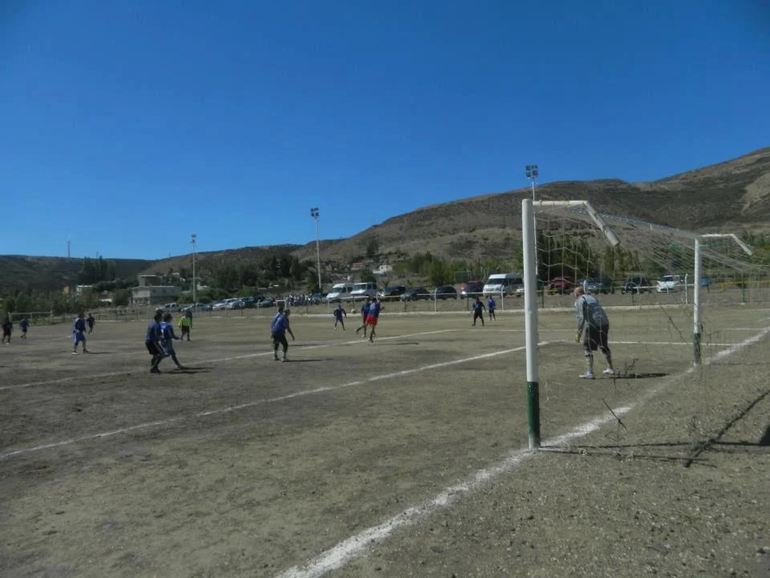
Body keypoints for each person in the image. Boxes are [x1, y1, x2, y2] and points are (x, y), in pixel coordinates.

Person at [573, 286, 614, 379]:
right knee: (603, 345)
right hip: (604, 322)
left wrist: (578, 333)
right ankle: (610, 368)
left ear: (577, 293)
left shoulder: (580, 300)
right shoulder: (591, 297)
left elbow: (581, 317)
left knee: (587, 348)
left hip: (593, 324)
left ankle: (589, 372)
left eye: (574, 293)